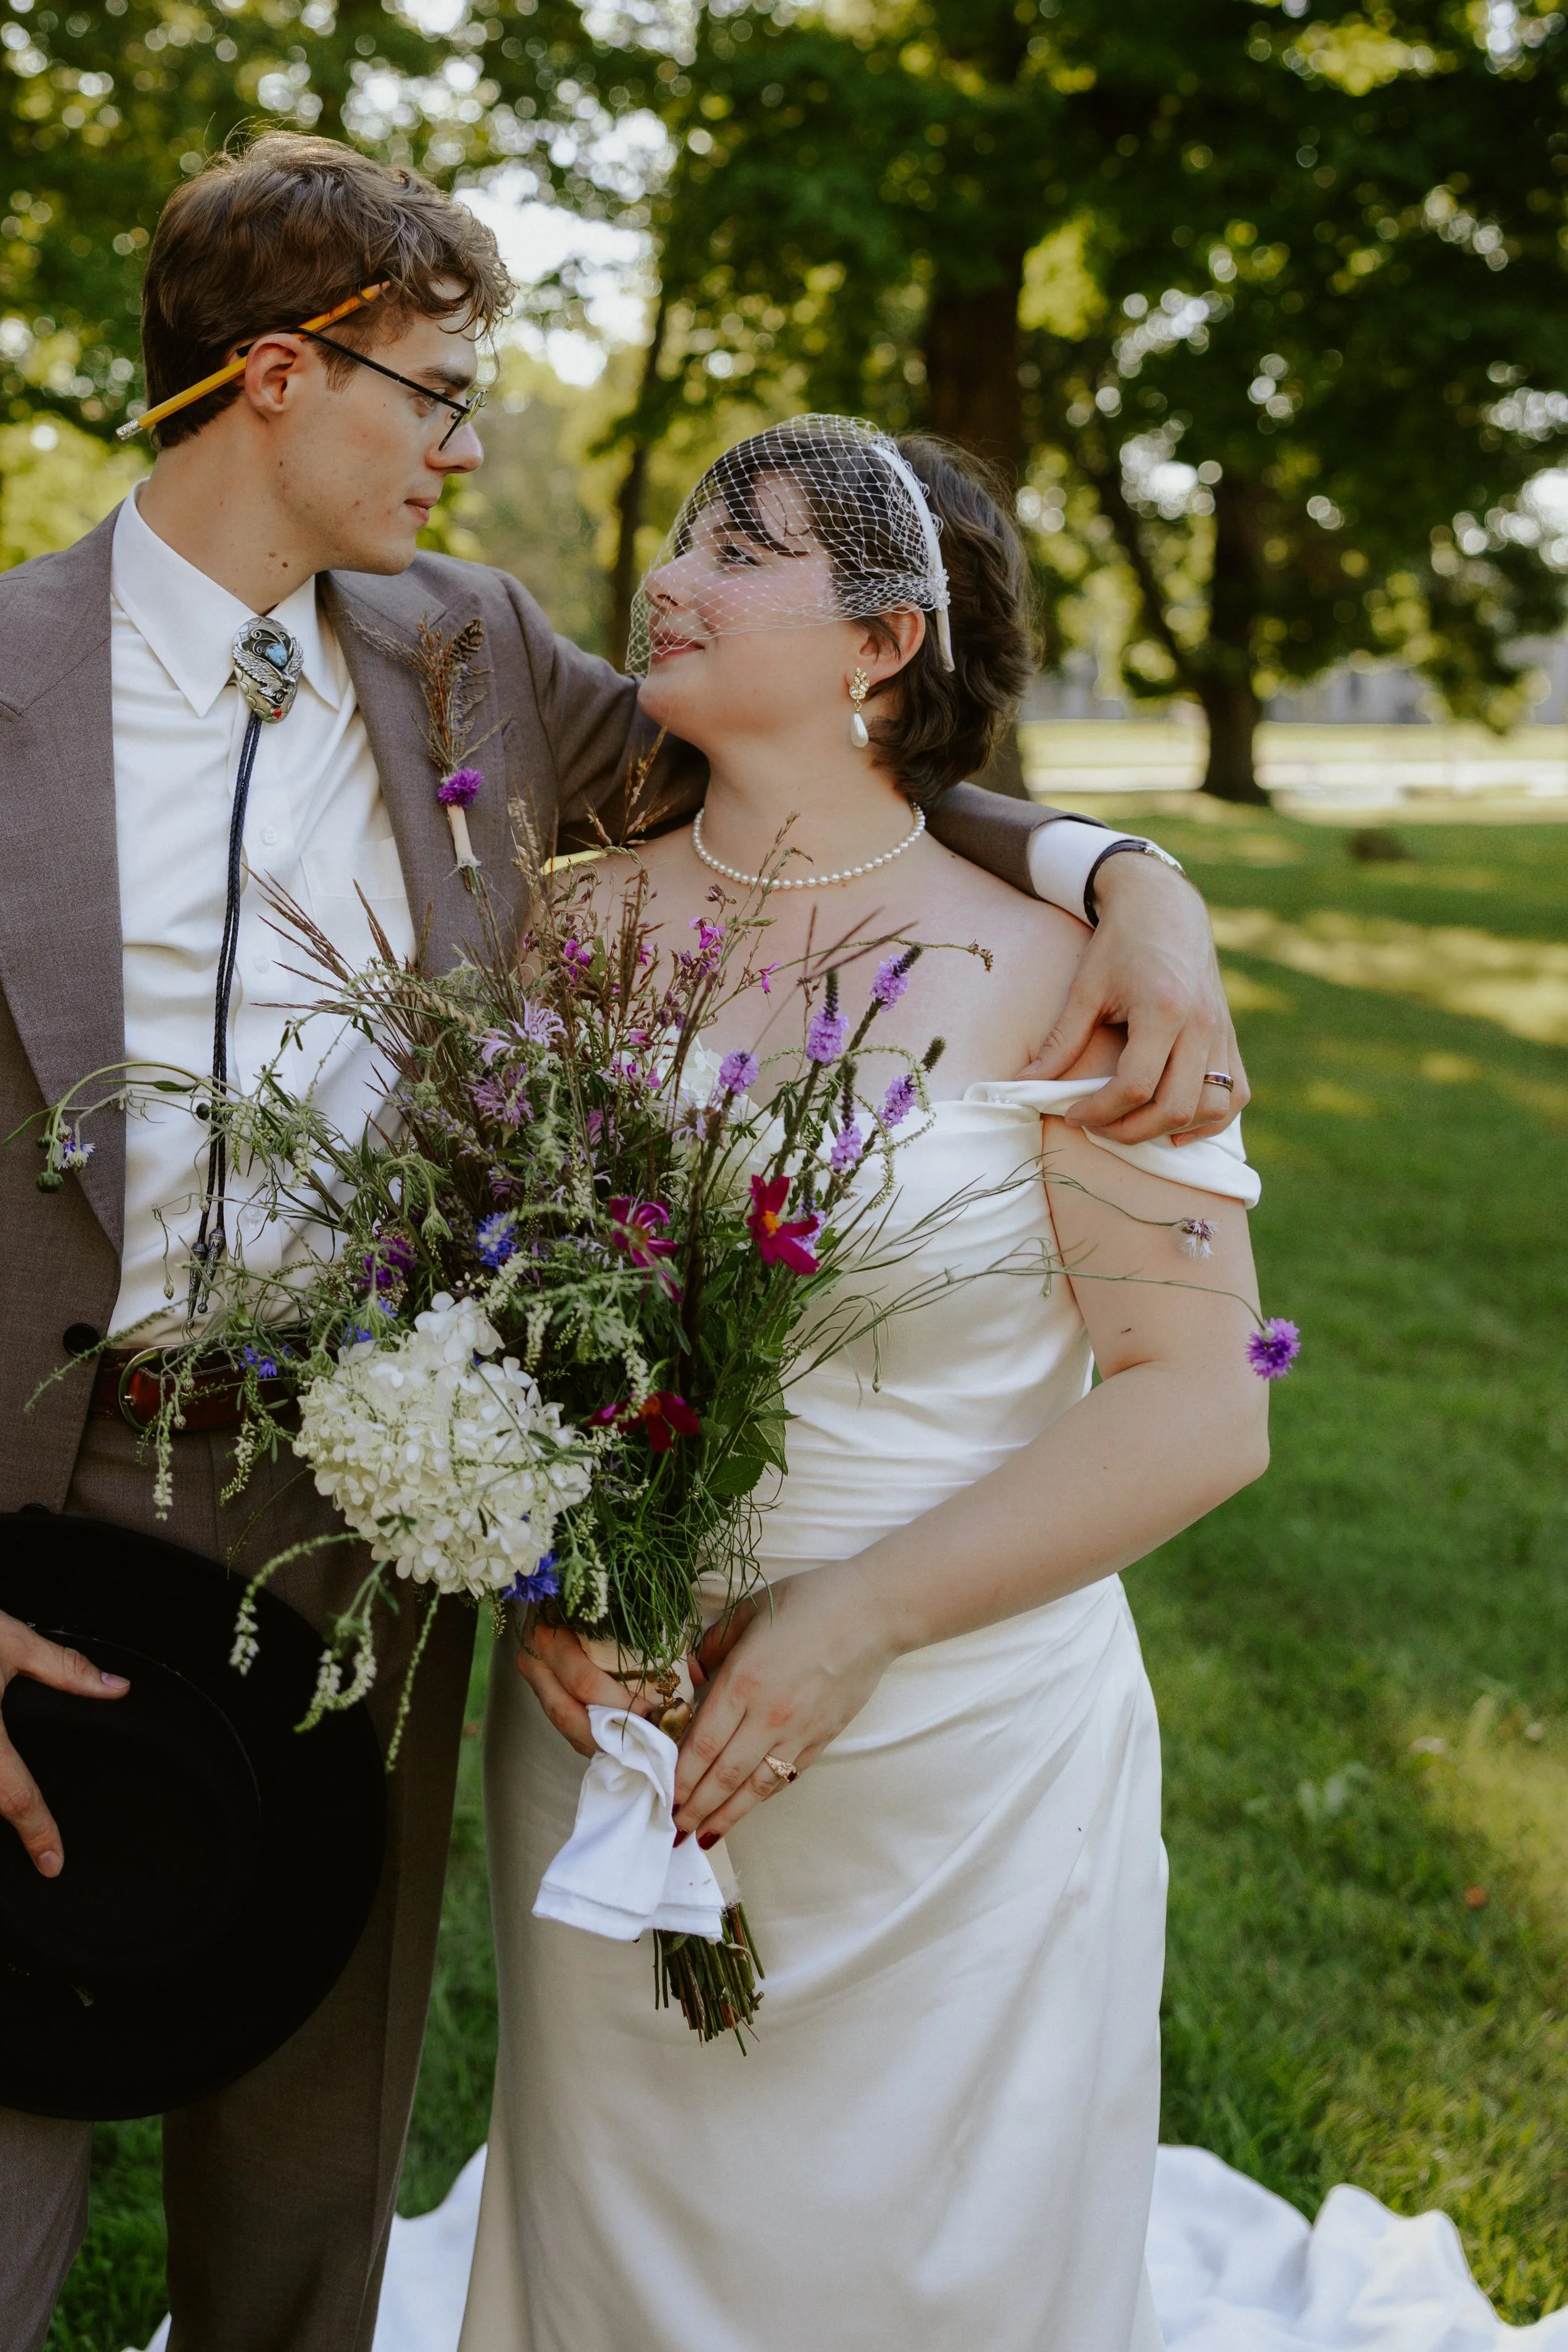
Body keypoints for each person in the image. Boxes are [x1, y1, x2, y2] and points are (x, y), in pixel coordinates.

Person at [0, 139, 1241, 2352]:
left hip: (360, 1537)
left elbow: (837, 781)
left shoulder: (466, 655)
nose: (477, 445)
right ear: (280, 374)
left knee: (300, 2199)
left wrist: (1127, 872)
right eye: (440, 390)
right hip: (29, 1506)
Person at [462, 421, 1272, 2351]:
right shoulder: (567, 935)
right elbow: (486, 1326)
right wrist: (538, 1589)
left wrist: (856, 1616)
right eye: (678, 535)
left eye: (736, 549)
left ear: (877, 645)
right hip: (623, 1739)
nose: (668, 575)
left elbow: (1200, 1396)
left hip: (960, 1765)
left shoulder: (1067, 966)